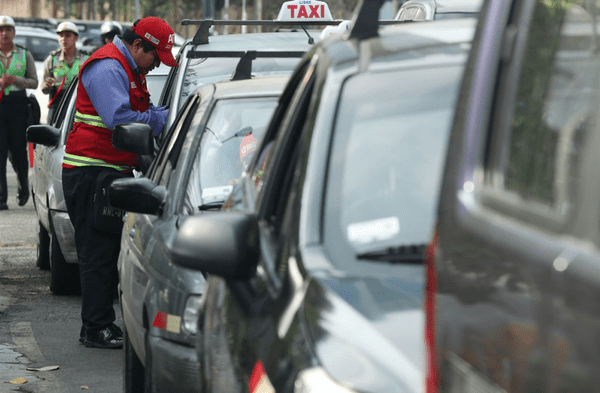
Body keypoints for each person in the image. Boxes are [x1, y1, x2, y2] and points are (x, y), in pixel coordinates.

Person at [61, 16, 176, 349]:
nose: (156, 65)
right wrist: (163, 117)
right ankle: (95, 328)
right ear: (138, 45)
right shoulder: (109, 68)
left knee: (106, 251)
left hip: (106, 172)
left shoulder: (130, 70)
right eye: (156, 57)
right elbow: (120, 119)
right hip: (91, 172)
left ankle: (100, 324)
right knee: (97, 254)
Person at [0, 15, 38, 211]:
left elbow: (34, 81)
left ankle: (23, 186)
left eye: (8, 30)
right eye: (0, 30)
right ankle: (1, 198)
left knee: (18, 151)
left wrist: (16, 79)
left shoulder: (24, 54)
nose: (4, 33)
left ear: (14, 33)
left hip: (18, 106)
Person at [41, 21, 89, 124]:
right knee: (52, 133)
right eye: (61, 35)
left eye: (68, 35)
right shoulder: (52, 59)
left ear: (76, 38)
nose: (63, 39)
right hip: (57, 102)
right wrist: (47, 85)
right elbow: (44, 89)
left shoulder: (86, 58)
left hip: (78, 103)